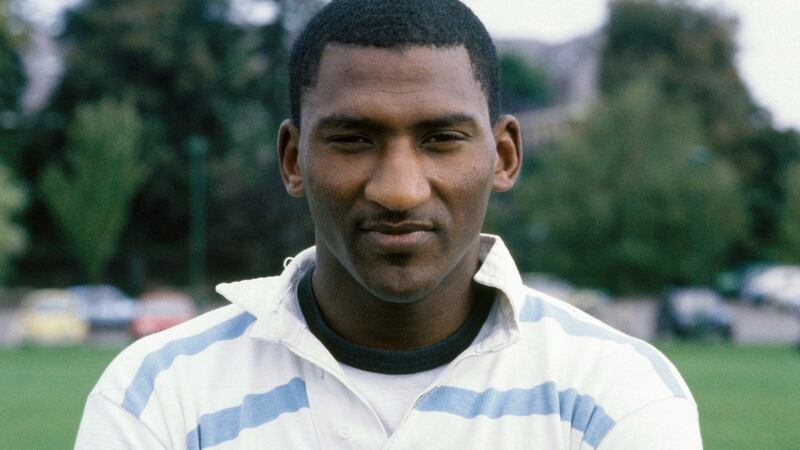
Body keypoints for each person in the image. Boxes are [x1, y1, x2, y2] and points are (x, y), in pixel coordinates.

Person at [75, 0, 702, 448]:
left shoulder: (615, 394)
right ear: (294, 160)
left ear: (503, 156)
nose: (399, 190)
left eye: (442, 139)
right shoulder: (158, 396)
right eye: (352, 139)